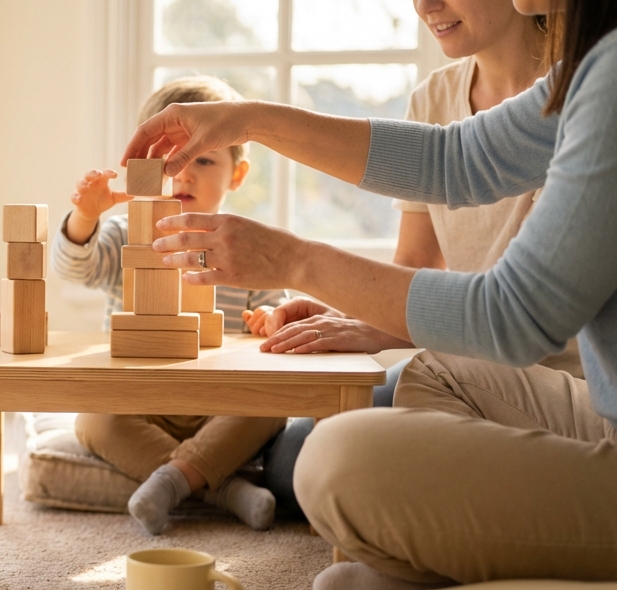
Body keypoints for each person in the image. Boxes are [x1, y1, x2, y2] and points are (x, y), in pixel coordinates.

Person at [119, 0, 617, 590]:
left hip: (587, 406)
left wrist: (293, 260)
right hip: (603, 415)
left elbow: (511, 315)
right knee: (420, 378)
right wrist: (248, 119)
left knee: (335, 460)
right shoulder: (596, 65)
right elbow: (455, 159)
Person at [245, 0, 583, 379]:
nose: (425, 6)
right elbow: (418, 260)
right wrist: (356, 314)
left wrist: (296, 262)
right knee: (304, 422)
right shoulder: (435, 95)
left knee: (331, 426)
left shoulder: (583, 94)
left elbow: (509, 313)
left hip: (558, 385)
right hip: (469, 365)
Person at [50, 76, 289, 535]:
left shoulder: (243, 244)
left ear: (235, 174)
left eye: (203, 158)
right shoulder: (124, 234)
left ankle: (184, 479)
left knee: (272, 407)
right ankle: (219, 489)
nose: (183, 173)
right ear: (143, 166)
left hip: (220, 405)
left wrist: (269, 318)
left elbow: (277, 305)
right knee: (94, 418)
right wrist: (86, 215)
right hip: (141, 400)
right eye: (169, 160)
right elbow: (74, 268)